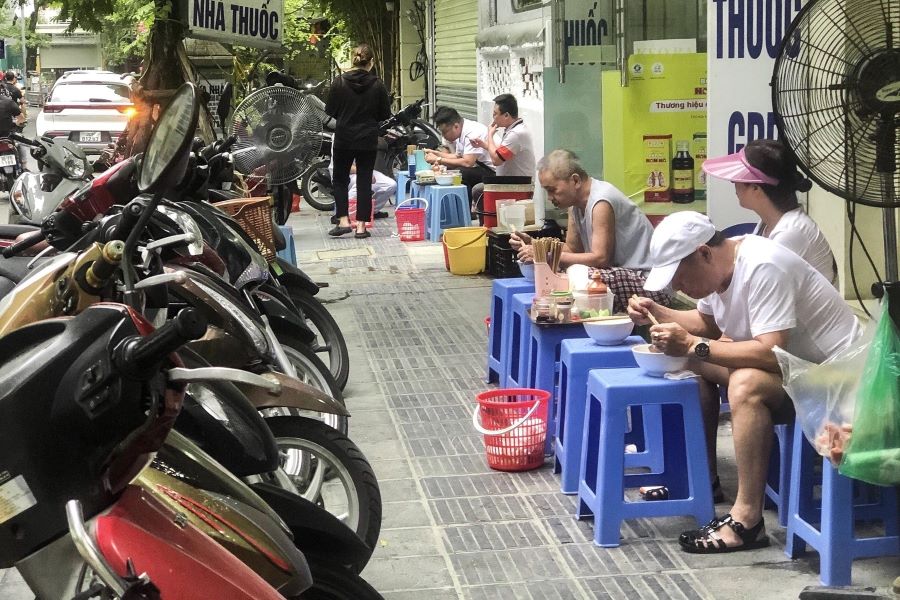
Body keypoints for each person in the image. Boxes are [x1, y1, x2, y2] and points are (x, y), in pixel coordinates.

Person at [628, 211, 860, 554]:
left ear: (704, 253)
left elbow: (770, 353)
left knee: (745, 383)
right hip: (795, 372)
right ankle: (700, 480)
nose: (677, 287)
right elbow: (705, 324)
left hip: (835, 381)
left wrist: (693, 345)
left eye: (678, 276)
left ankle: (747, 520)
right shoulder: (719, 269)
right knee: (690, 361)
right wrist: (659, 313)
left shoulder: (763, 266)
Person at [511, 149, 669, 312]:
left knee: (579, 276)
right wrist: (534, 245)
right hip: (621, 274)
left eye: (552, 190)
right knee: (568, 271)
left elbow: (601, 259)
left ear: (575, 180)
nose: (550, 198)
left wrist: (546, 254)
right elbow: (572, 250)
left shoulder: (601, 201)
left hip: (649, 284)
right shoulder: (575, 205)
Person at [703, 139, 837, 285]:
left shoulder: (791, 233)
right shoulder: (770, 223)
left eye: (738, 179)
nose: (733, 183)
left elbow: (759, 285)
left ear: (756, 188)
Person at [325, 43, 391, 239]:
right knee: (364, 180)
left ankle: (344, 221)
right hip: (367, 139)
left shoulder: (339, 82)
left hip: (344, 137)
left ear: (353, 60)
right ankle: (362, 226)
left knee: (340, 179)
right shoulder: (378, 85)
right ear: (370, 63)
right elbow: (384, 114)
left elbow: (330, 111)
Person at [424, 106, 495, 208]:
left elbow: (468, 162)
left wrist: (438, 159)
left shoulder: (472, 133)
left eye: (445, 132)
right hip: (483, 168)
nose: (443, 136)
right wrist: (436, 153)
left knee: (461, 174)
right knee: (451, 170)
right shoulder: (462, 132)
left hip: (495, 172)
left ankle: (465, 211)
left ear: (456, 126)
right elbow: (457, 156)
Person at [470, 93, 535, 179]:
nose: (493, 117)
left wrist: (490, 134)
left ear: (506, 115)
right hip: (508, 183)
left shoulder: (516, 134)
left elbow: (496, 160)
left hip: (517, 187)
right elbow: (501, 153)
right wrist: (483, 145)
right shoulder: (514, 129)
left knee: (477, 189)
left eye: (495, 114)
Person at [328, 156, 396, 223]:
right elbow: (343, 166)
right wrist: (365, 173)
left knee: (390, 184)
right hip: (343, 174)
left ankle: (371, 212)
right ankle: (342, 214)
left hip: (361, 171)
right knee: (364, 180)